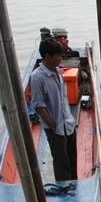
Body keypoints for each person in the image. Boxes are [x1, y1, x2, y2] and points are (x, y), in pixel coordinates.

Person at [29, 37, 77, 181]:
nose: (60, 59)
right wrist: (53, 126)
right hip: (56, 128)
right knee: (61, 165)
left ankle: (74, 185)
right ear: (47, 56)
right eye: (57, 56)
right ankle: (63, 190)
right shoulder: (38, 77)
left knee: (72, 161)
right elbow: (38, 105)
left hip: (68, 124)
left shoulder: (58, 71)